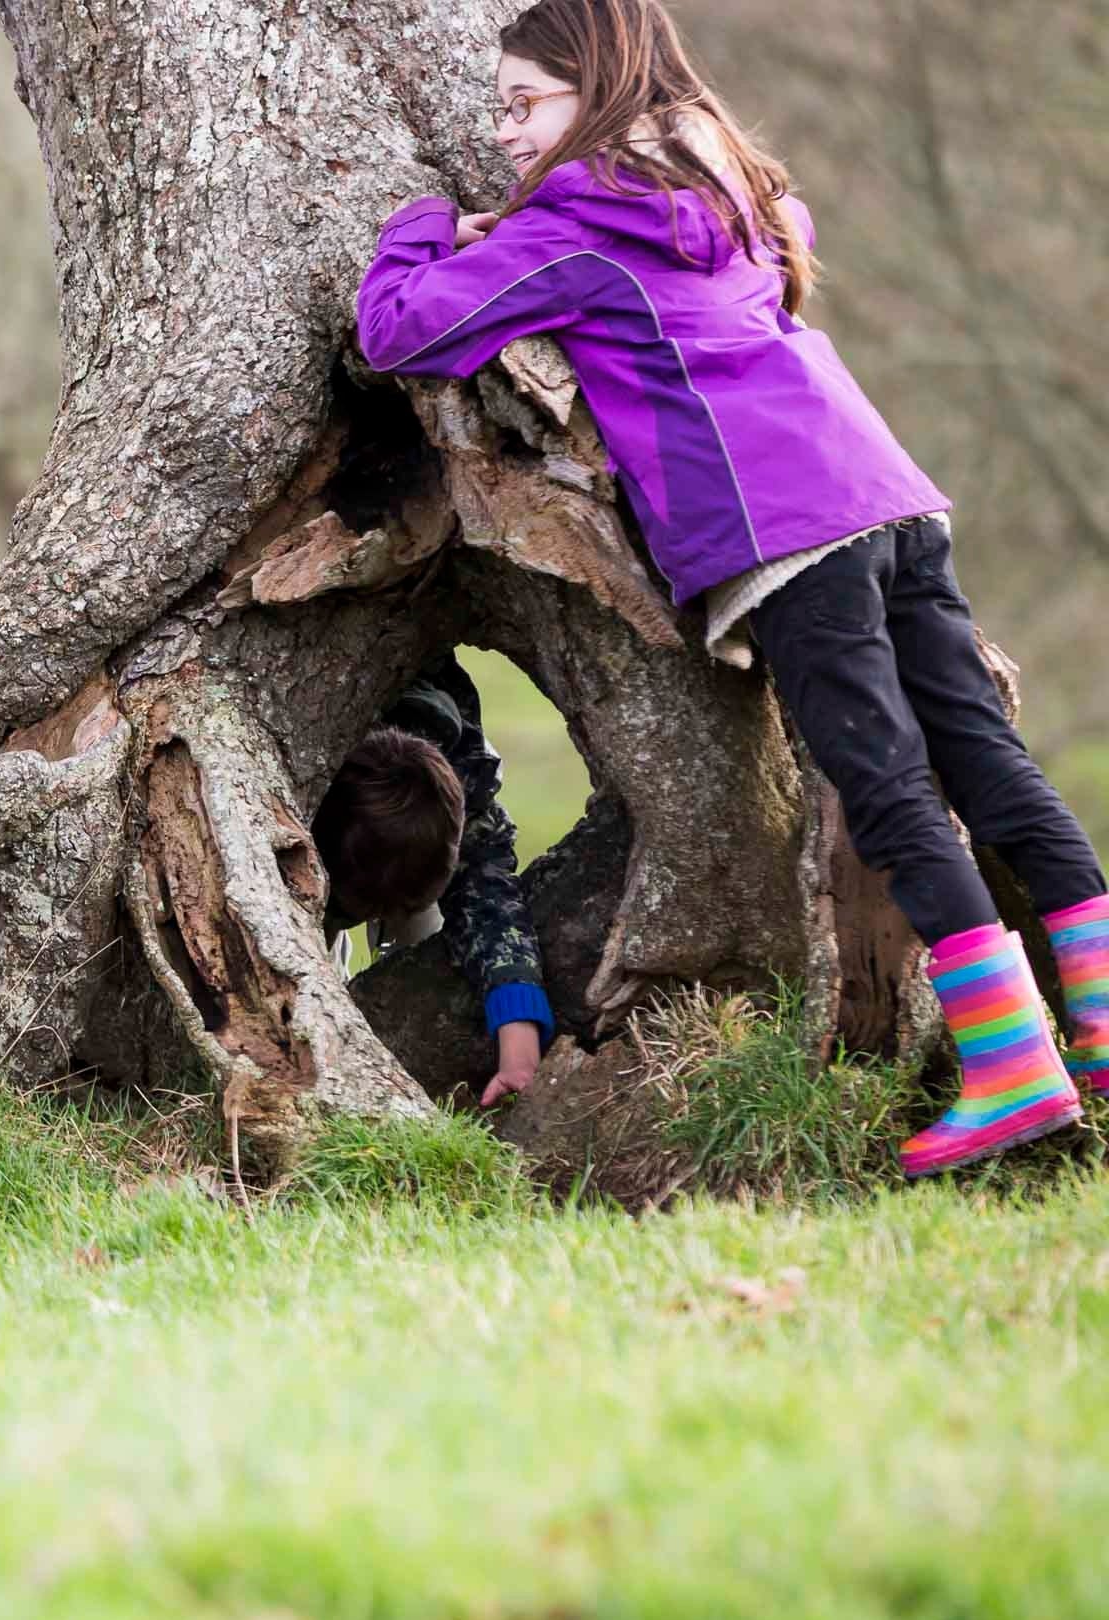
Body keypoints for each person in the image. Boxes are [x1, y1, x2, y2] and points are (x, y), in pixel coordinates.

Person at [355, 0, 1109, 1177]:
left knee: (886, 784)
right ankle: (1103, 1036)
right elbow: (774, 234)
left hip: (790, 525)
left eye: (522, 106)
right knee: (987, 762)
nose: (503, 132)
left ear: (594, 90)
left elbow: (403, 331)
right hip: (892, 495)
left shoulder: (576, 221)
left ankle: (1014, 1070)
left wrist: (417, 223)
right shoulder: (732, 190)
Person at [314, 656, 553, 1110]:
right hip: (325, 864)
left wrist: (518, 1037)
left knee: (430, 931)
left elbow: (489, 900)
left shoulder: (462, 774)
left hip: (389, 853)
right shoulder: (309, 774)